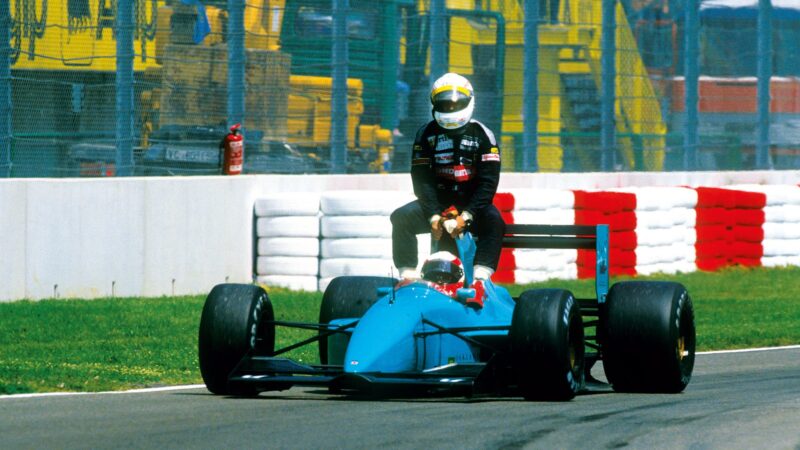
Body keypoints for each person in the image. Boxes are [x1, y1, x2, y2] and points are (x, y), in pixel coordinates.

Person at [390, 72, 505, 308]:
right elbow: (422, 180)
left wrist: (468, 215)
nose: (450, 107)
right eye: (445, 103)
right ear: (434, 104)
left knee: (494, 220)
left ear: (469, 101)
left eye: (455, 103)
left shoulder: (484, 135)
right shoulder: (425, 134)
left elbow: (488, 183)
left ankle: (481, 281)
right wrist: (433, 213)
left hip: (472, 205)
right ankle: (407, 277)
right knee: (401, 217)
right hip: (436, 204)